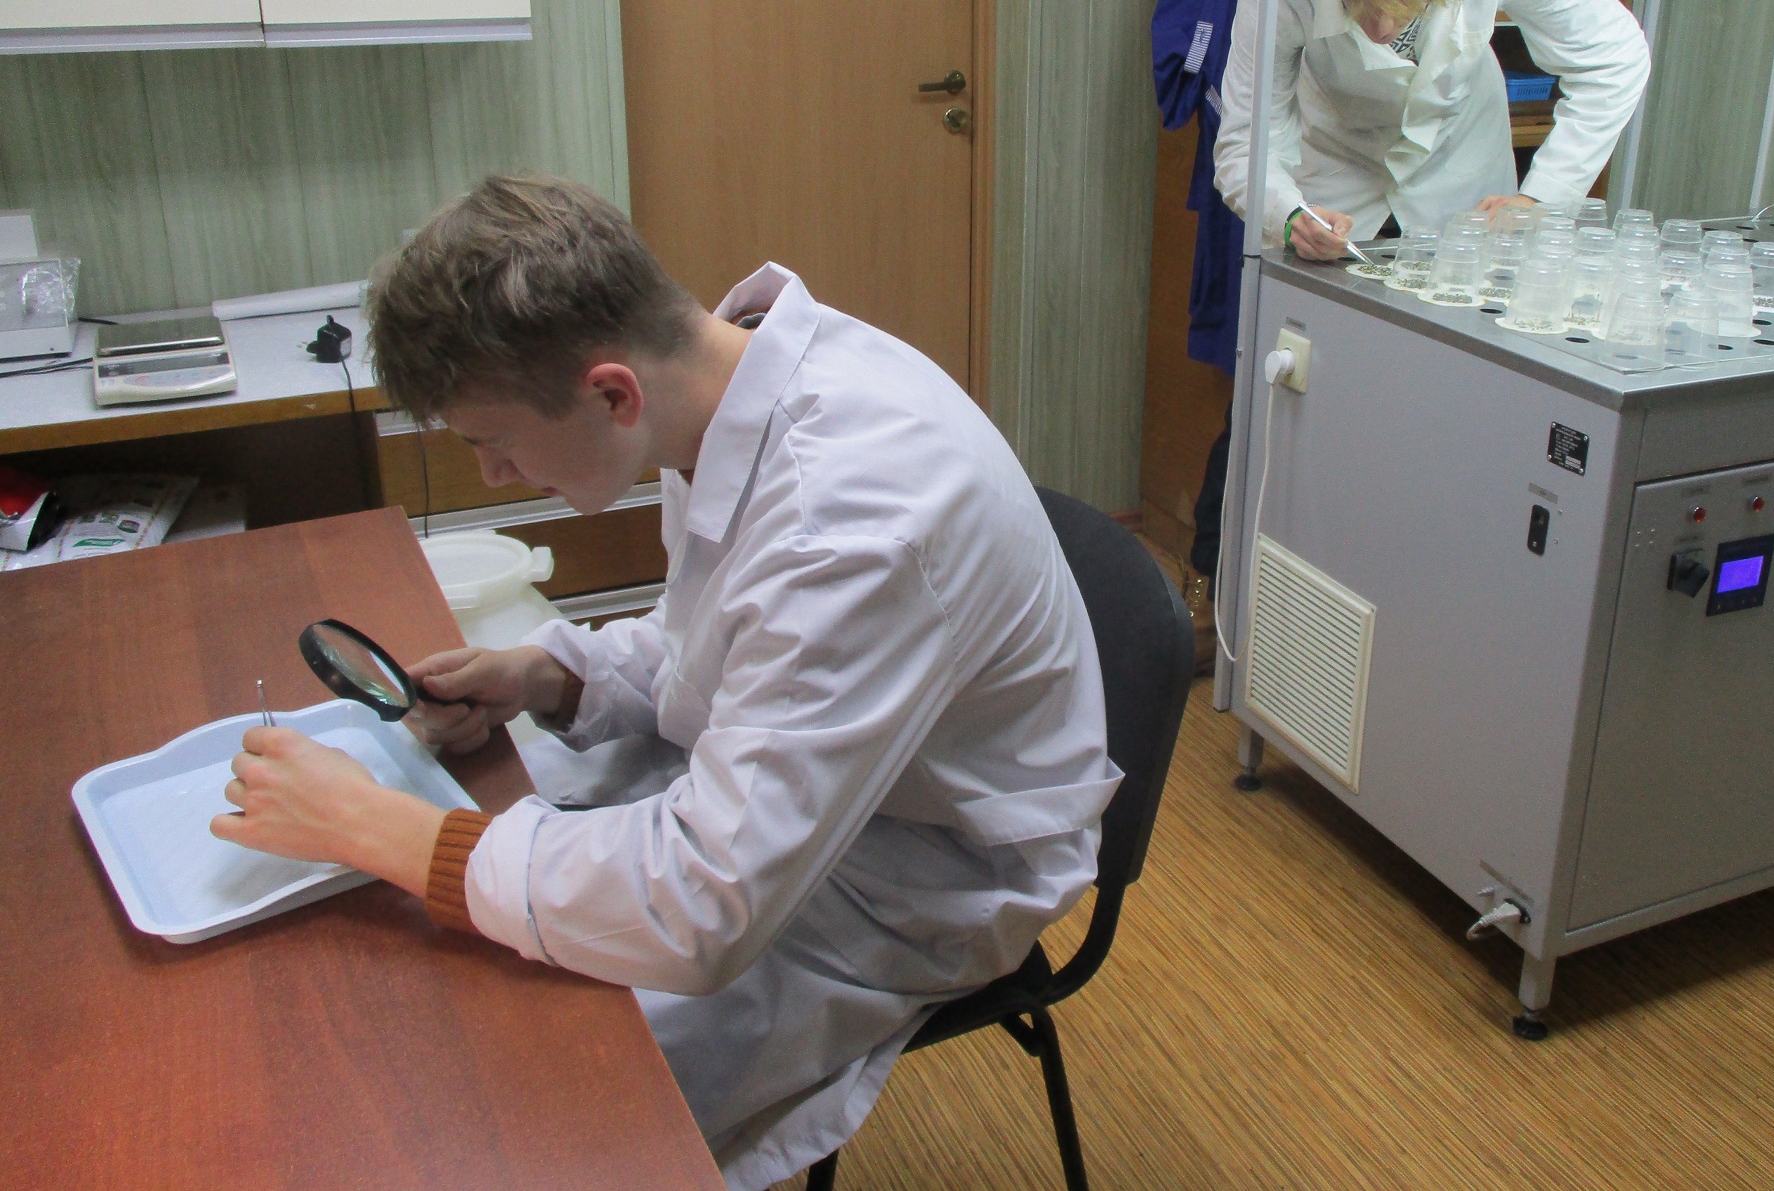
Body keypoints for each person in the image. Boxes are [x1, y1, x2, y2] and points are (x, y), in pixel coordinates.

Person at [210, 176, 1120, 1191]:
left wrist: (384, 832)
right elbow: (723, 642)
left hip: (921, 872)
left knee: (510, 1115)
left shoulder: (851, 521)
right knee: (445, 949)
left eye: (492, 441)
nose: (494, 475)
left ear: (611, 394)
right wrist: (551, 676)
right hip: (822, 791)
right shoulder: (728, 379)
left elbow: (702, 909)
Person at [1189, 0, 1650, 585]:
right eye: (1359, 4)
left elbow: (1617, 55)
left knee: (1455, 394)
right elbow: (1245, 142)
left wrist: (1545, 196)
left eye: (1398, 9)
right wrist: (1288, 211)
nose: (1377, 28)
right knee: (1286, 385)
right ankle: (1220, 582)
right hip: (1333, 169)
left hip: (1461, 173)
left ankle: (1416, 582)